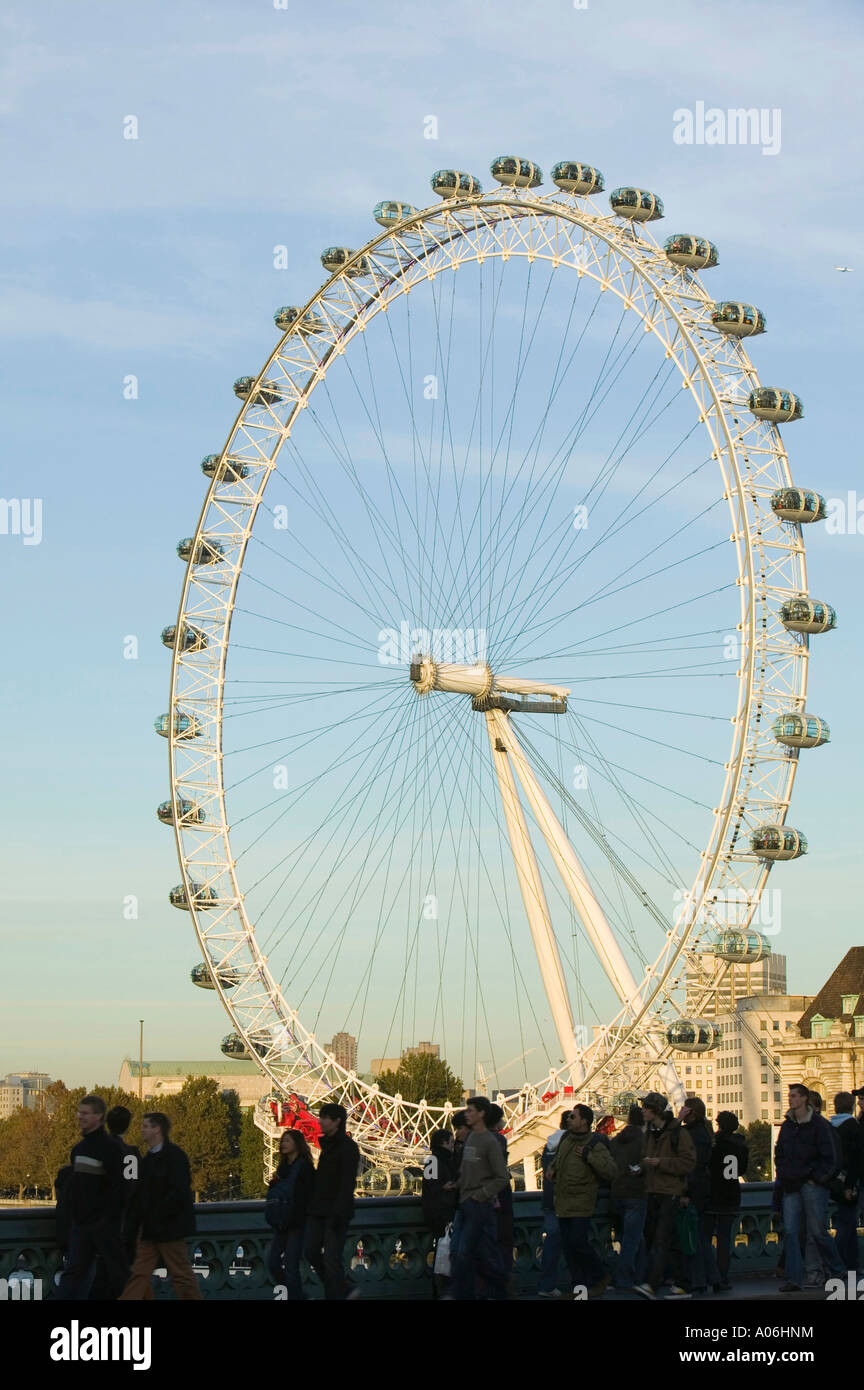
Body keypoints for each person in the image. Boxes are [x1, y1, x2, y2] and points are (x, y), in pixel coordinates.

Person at [118, 1112, 202, 1300]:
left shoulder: (171, 1157)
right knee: (141, 1275)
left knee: (177, 1276)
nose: (142, 1129)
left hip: (168, 1229)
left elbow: (177, 1193)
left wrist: (149, 1219)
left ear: (157, 1129)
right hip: (155, 1229)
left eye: (146, 1126)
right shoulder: (155, 1159)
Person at [774, 1082, 845, 1292]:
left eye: (794, 1096)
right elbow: (780, 1153)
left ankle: (837, 1268)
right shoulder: (787, 1125)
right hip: (791, 1185)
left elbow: (833, 1157)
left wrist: (819, 1178)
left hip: (812, 1185)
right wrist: (784, 1172)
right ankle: (794, 1279)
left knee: (817, 1232)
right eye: (790, 1096)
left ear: (804, 1099)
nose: (790, 1099)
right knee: (790, 1232)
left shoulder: (820, 1125)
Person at [56, 1094, 128, 1300]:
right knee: (77, 1275)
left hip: (102, 1226)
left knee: (116, 1276)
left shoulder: (110, 1149)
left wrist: (106, 1221)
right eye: (79, 1112)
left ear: (99, 1117)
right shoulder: (79, 1149)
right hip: (84, 1225)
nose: (80, 1117)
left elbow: (118, 1190)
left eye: (85, 1113)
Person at [549, 1104, 617, 1298]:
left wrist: (590, 1157)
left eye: (573, 1116)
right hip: (563, 1202)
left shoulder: (595, 1144)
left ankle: (600, 1276)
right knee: (569, 1248)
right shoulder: (566, 1139)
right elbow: (560, 1159)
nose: (568, 1119)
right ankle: (579, 1290)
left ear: (584, 1121)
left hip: (581, 1202)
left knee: (579, 1243)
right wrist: (552, 1168)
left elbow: (611, 1171)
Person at [632, 1091, 695, 1301]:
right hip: (653, 1191)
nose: (642, 1111)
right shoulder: (649, 1132)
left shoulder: (678, 1133)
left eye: (646, 1108)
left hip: (670, 1193)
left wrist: (661, 1164)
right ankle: (683, 1283)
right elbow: (646, 1158)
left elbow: (688, 1163)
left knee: (661, 1239)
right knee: (668, 1240)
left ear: (656, 1110)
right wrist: (640, 1168)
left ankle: (652, 1284)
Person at [450, 1097, 510, 1301]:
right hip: (465, 1202)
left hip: (478, 1205)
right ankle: (499, 1289)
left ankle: (462, 1294)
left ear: (481, 1114)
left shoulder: (489, 1142)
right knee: (475, 1254)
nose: (466, 1113)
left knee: (463, 1253)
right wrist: (457, 1184)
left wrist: (480, 1195)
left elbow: (502, 1177)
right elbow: (469, 1170)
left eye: (470, 1110)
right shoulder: (471, 1139)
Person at [304, 1103, 360, 1300]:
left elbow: (347, 1183)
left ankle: (336, 1293)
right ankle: (342, 1287)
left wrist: (338, 1212)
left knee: (330, 1260)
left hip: (336, 1213)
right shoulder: (327, 1145)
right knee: (310, 1251)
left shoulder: (348, 1148)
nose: (320, 1121)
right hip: (318, 1210)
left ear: (337, 1121)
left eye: (325, 1117)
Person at [88, 1106, 142, 1298]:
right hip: (122, 1222)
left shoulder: (95, 1150)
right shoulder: (131, 1154)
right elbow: (133, 1187)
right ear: (128, 1127)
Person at [265, 1128, 315, 1299]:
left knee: (291, 1266)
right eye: (282, 1141)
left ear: (297, 1144)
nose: (283, 1144)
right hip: (282, 1222)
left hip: (297, 1224)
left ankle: (295, 1296)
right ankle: (298, 1296)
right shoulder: (282, 1169)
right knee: (273, 1263)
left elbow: (305, 1198)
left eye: (287, 1140)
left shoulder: (305, 1168)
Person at [705, 1110, 748, 1291]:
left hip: (713, 1195)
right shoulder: (741, 1145)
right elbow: (741, 1170)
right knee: (725, 1241)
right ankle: (723, 1277)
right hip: (732, 1196)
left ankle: (709, 1275)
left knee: (705, 1239)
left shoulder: (715, 1144)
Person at [680, 1097, 715, 1293]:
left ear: (692, 1113)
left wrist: (686, 1192)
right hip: (702, 1189)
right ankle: (713, 1278)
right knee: (701, 1237)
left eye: (685, 1109)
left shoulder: (693, 1134)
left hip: (694, 1191)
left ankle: (699, 1280)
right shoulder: (703, 1132)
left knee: (693, 1238)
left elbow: (693, 1166)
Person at [609, 1103, 646, 1291]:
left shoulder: (615, 1141)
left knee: (628, 1238)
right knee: (633, 1240)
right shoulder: (645, 1141)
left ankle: (638, 1276)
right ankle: (626, 1279)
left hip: (616, 1193)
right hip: (636, 1194)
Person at [828, 1092, 863, 1275]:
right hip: (849, 1182)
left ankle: (851, 1265)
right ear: (851, 1106)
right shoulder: (853, 1127)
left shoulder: (829, 1127)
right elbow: (856, 1160)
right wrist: (850, 1185)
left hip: (830, 1182)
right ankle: (842, 1264)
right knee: (846, 1224)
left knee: (847, 1225)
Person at [421, 1128, 458, 1297]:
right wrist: (444, 1186)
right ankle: (442, 1290)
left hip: (444, 1210)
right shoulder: (433, 1160)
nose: (453, 1145)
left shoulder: (444, 1159)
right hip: (439, 1212)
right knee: (442, 1253)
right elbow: (430, 1184)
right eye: (451, 1142)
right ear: (443, 1143)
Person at [537, 1110, 570, 1298]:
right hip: (567, 1199)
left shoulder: (549, 1143)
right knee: (575, 1242)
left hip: (549, 1199)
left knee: (551, 1242)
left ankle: (547, 1284)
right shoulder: (570, 1143)